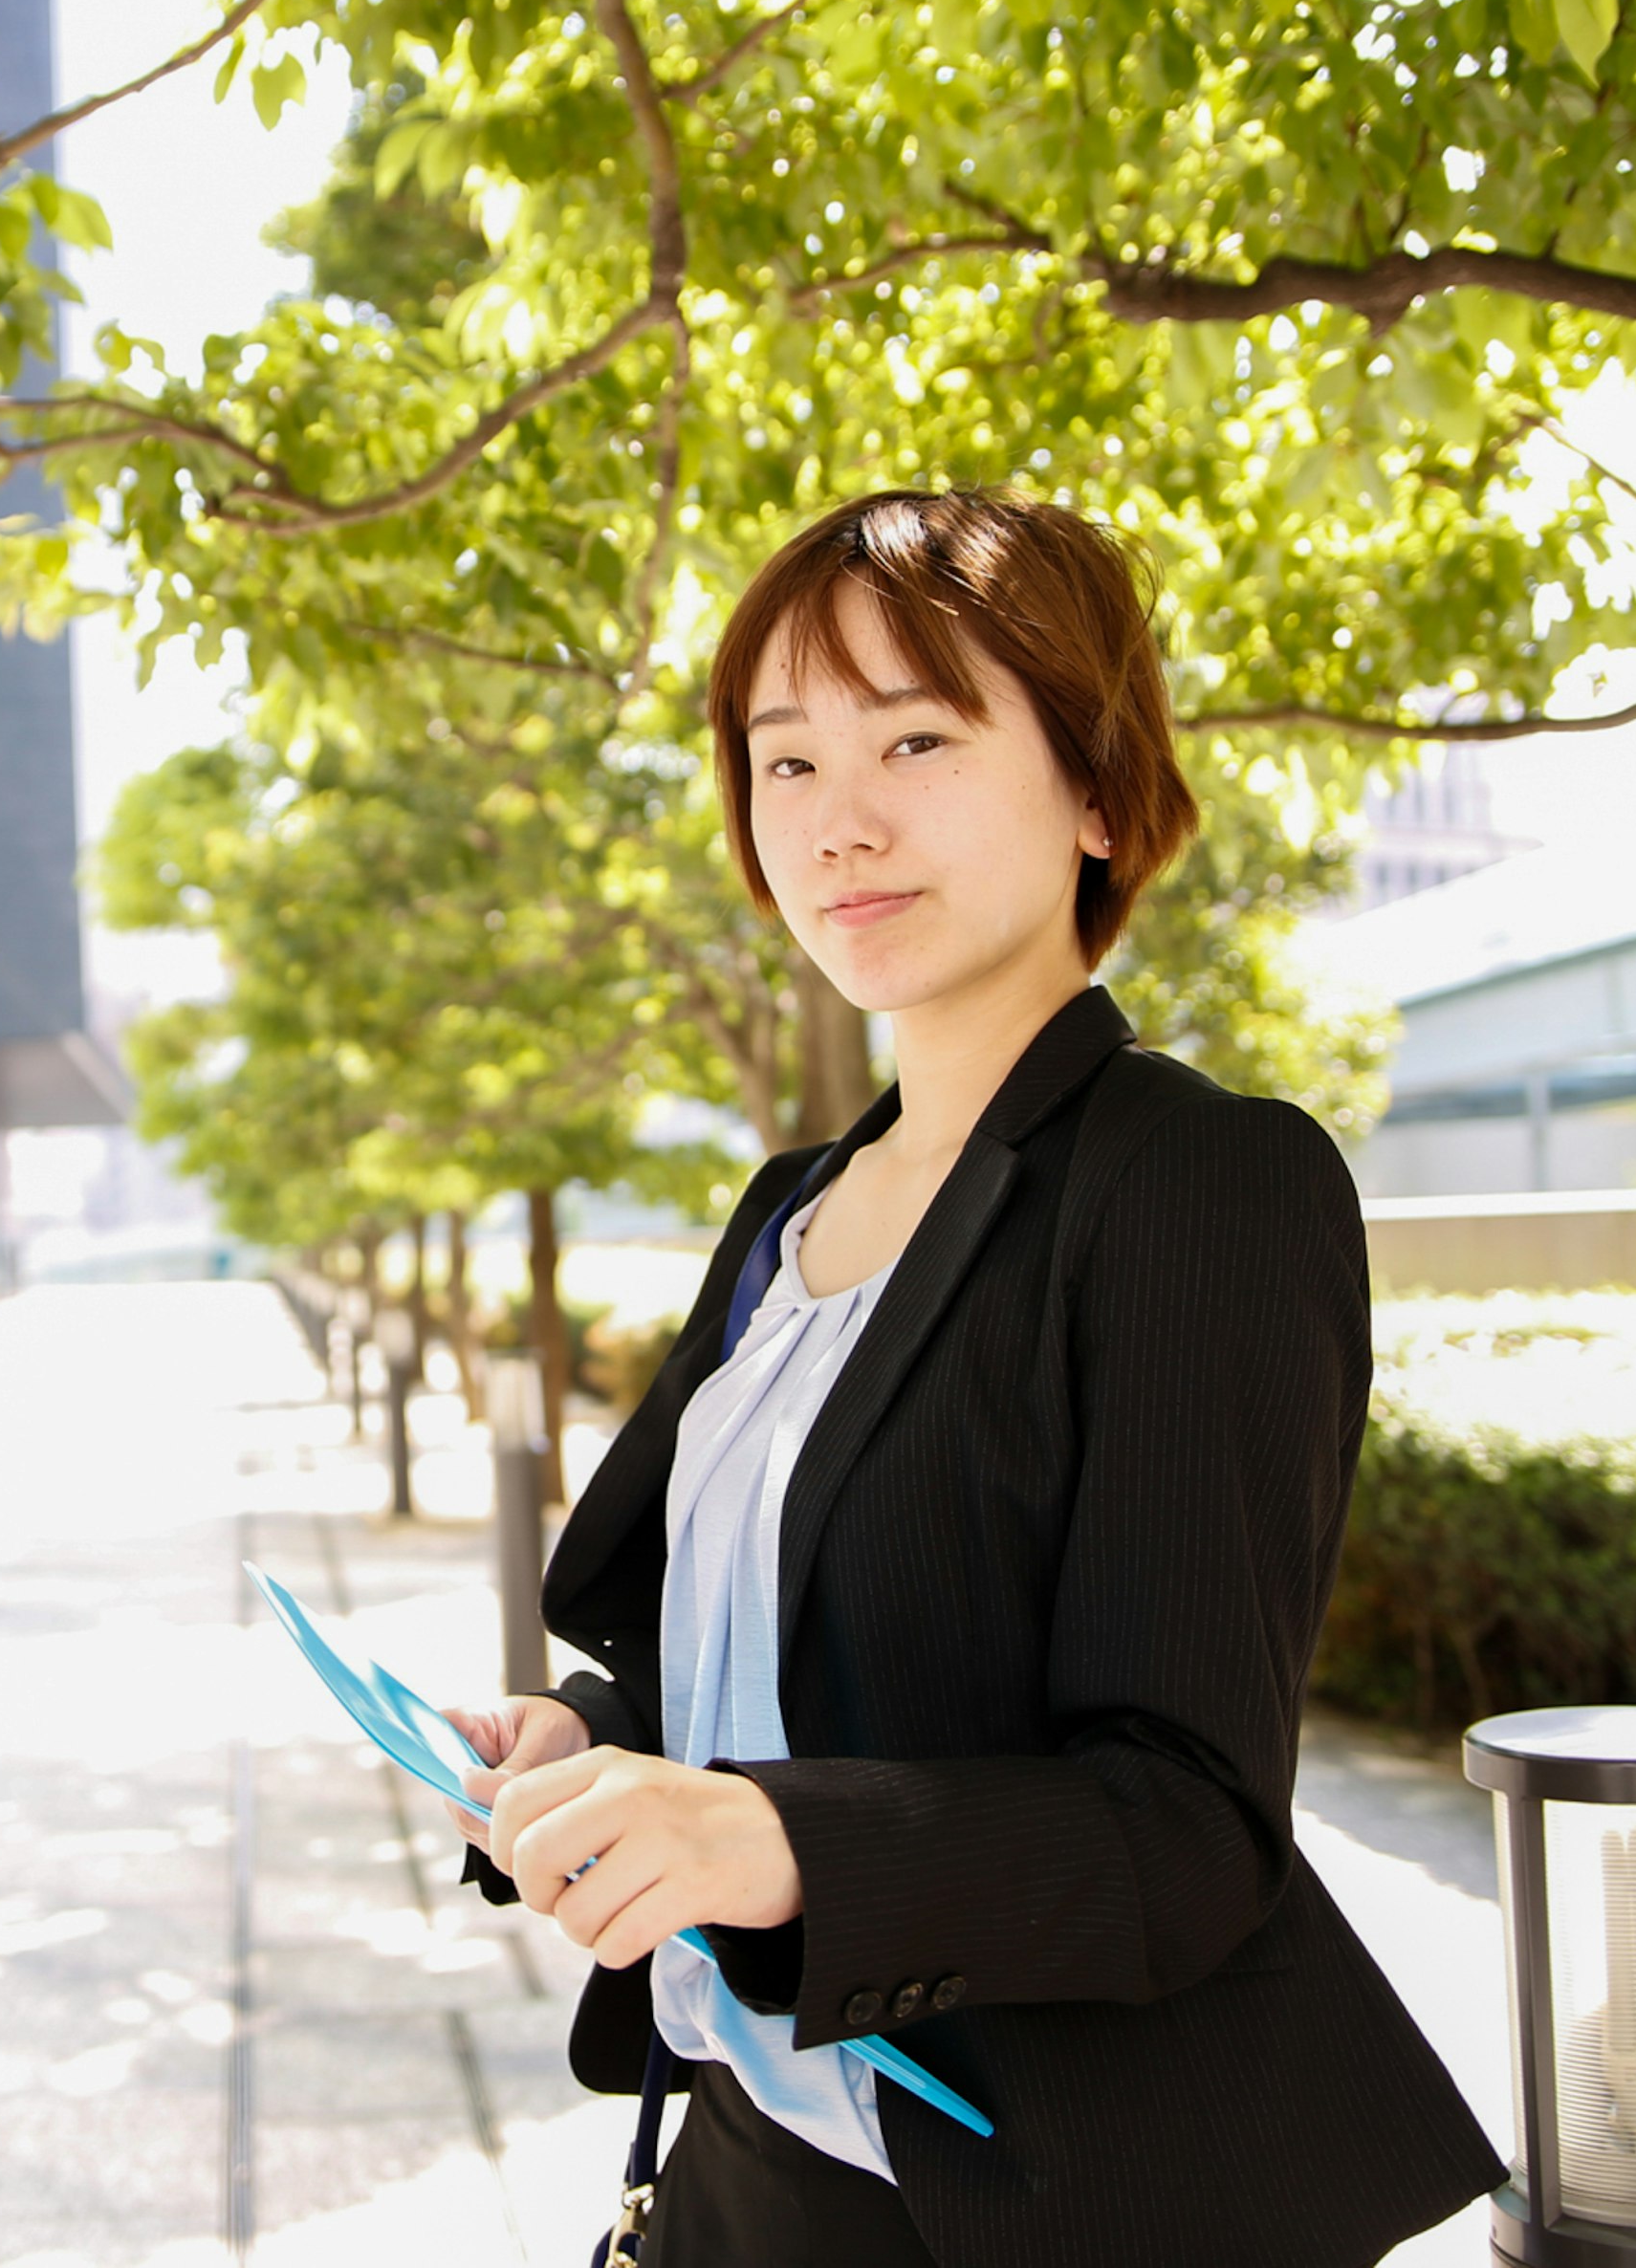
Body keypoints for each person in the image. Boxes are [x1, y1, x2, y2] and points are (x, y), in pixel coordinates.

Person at [438, 489, 1502, 2267]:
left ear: (1096, 791)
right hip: (741, 2161)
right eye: (785, 763)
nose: (838, 822)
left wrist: (763, 1840)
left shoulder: (1197, 1183)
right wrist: (600, 1751)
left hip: (1035, 2203)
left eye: (917, 737)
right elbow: (790, 1676)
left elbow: (1183, 1826)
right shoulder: (792, 1209)